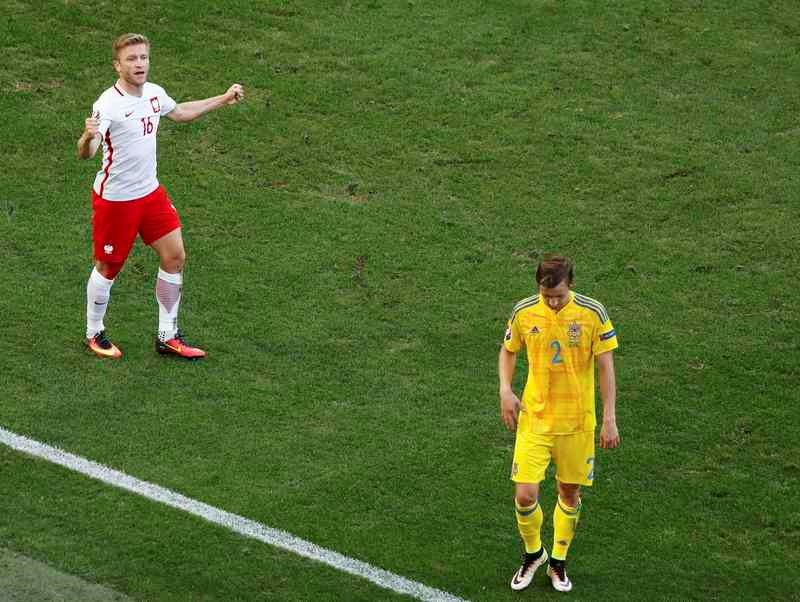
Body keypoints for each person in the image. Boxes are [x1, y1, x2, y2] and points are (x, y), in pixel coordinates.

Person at [77, 33, 244, 360]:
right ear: (118, 65)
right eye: (131, 59)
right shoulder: (107, 104)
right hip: (117, 200)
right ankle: (94, 332)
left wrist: (222, 99)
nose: (139, 64)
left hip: (150, 193)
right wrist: (88, 136)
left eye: (143, 57)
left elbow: (180, 112)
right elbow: (88, 152)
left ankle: (168, 335)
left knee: (175, 256)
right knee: (109, 266)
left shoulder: (153, 94)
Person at [498, 254, 620, 593]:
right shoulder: (524, 311)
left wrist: (609, 418)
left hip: (577, 423)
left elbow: (606, 367)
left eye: (559, 295)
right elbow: (508, 350)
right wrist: (505, 391)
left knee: (569, 492)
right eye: (546, 294)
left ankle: (558, 562)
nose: (552, 301)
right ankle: (533, 553)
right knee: (525, 494)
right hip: (534, 419)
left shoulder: (592, 314)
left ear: (571, 286)